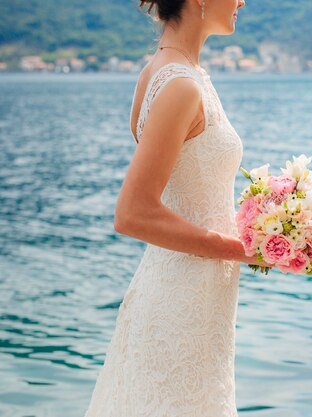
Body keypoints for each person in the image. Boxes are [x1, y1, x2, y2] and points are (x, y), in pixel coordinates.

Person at [82, 0, 270, 416]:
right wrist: (243, 249)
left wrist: (271, 228)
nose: (242, 1)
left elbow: (193, 192)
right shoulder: (180, 84)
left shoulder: (175, 73)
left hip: (194, 296)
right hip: (180, 304)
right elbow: (133, 213)